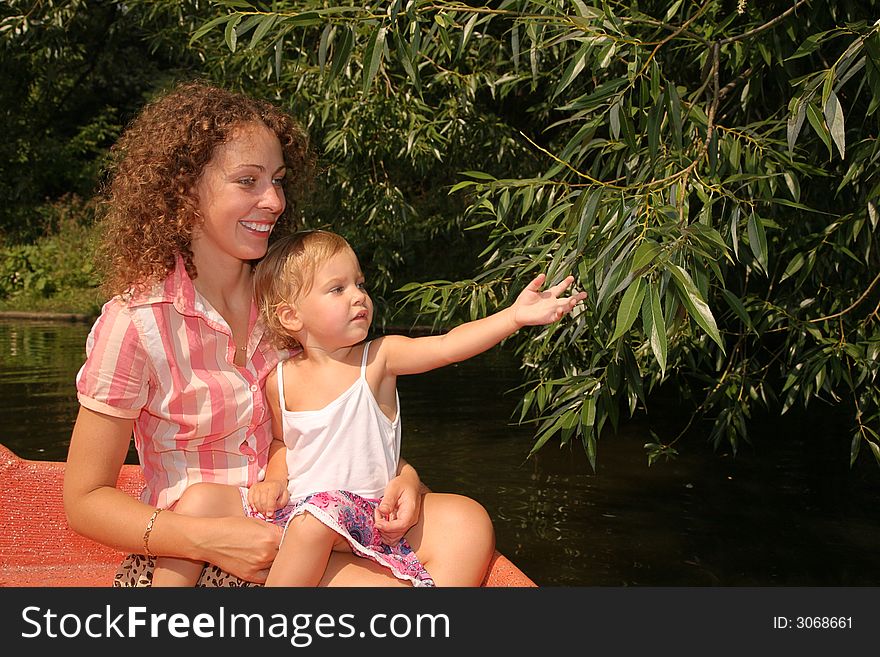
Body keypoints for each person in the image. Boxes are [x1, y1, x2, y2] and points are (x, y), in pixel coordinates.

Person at [62, 80, 495, 587]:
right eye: (247, 181)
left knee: (465, 522)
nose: (272, 200)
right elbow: (84, 501)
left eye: (278, 180)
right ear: (184, 190)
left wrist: (404, 477)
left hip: (306, 518)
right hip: (192, 555)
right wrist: (209, 540)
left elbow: (340, 430)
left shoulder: (295, 307)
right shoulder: (136, 323)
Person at [149, 229, 586, 587]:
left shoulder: (379, 359)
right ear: (290, 317)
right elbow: (284, 443)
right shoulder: (278, 380)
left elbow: (449, 346)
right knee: (201, 499)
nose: (358, 296)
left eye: (359, 283)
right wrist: (273, 480)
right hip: (299, 510)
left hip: (360, 514)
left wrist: (513, 317)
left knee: (325, 522)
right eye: (337, 289)